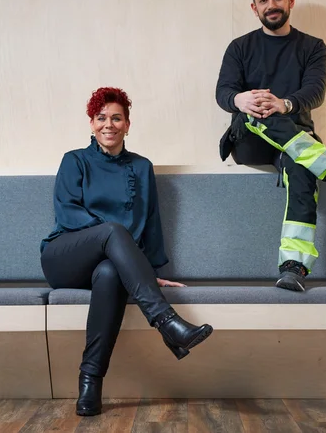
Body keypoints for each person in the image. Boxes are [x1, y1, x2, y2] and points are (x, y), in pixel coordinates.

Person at [40, 87, 213, 417]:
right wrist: (120, 246)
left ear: (128, 125)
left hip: (110, 264)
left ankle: (90, 383)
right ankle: (167, 323)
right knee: (113, 232)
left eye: (116, 118)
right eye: (101, 118)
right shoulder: (74, 160)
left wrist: (144, 271)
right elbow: (67, 213)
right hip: (65, 257)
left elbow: (151, 222)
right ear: (92, 124)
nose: (109, 124)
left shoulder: (142, 167)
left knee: (109, 273)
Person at [216, 0, 326, 292]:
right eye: (263, 0)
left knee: (301, 171)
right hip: (249, 139)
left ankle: (293, 267)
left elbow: (315, 92)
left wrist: (284, 104)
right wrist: (240, 100)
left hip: (296, 140)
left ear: (291, 0)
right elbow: (223, 92)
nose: (271, 5)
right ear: (254, 8)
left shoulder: (312, 47)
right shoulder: (239, 47)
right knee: (257, 106)